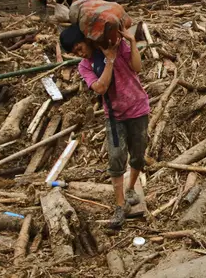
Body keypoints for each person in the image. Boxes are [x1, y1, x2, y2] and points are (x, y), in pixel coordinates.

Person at [60, 20, 149, 229]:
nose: (79, 53)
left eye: (79, 47)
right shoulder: (85, 65)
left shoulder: (119, 48)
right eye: (74, 52)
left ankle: (130, 189)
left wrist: (133, 42)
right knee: (117, 157)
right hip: (114, 114)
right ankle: (120, 206)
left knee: (138, 154)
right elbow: (100, 88)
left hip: (138, 107)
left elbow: (137, 68)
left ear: (86, 41)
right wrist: (108, 61)